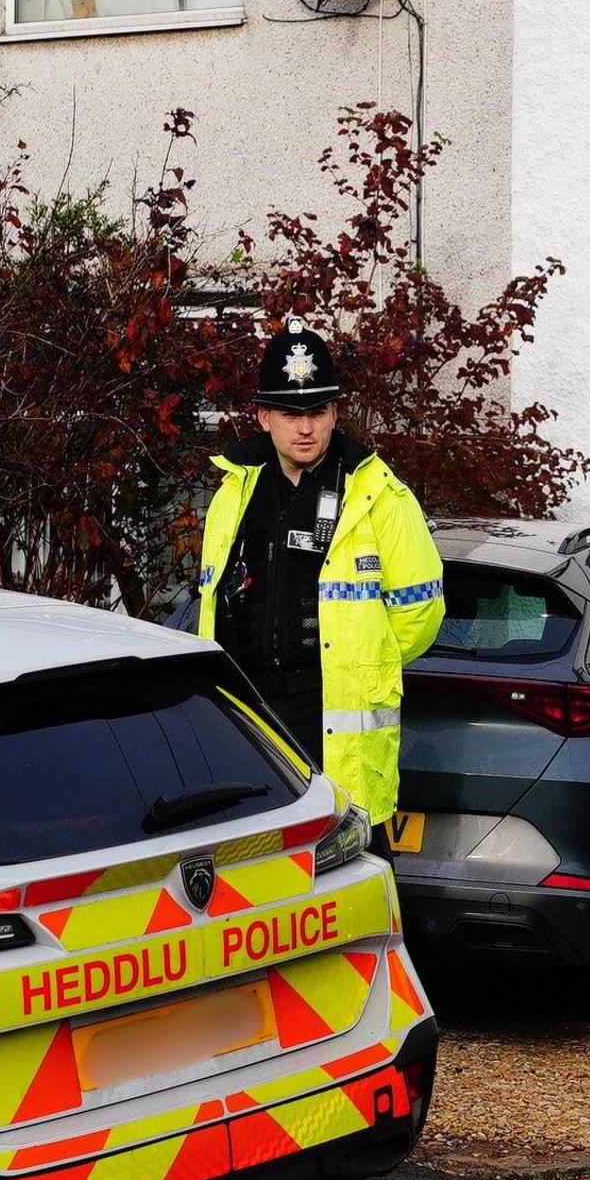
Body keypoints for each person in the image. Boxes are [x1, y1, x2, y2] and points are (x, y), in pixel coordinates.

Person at [192, 324, 445, 821]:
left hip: (332, 708)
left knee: (354, 859)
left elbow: (420, 613)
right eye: (290, 414)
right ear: (265, 417)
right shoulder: (233, 492)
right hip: (249, 710)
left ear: (334, 413)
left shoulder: (378, 494)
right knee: (259, 868)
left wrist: (360, 660)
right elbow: (214, 600)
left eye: (315, 413)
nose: (304, 428)